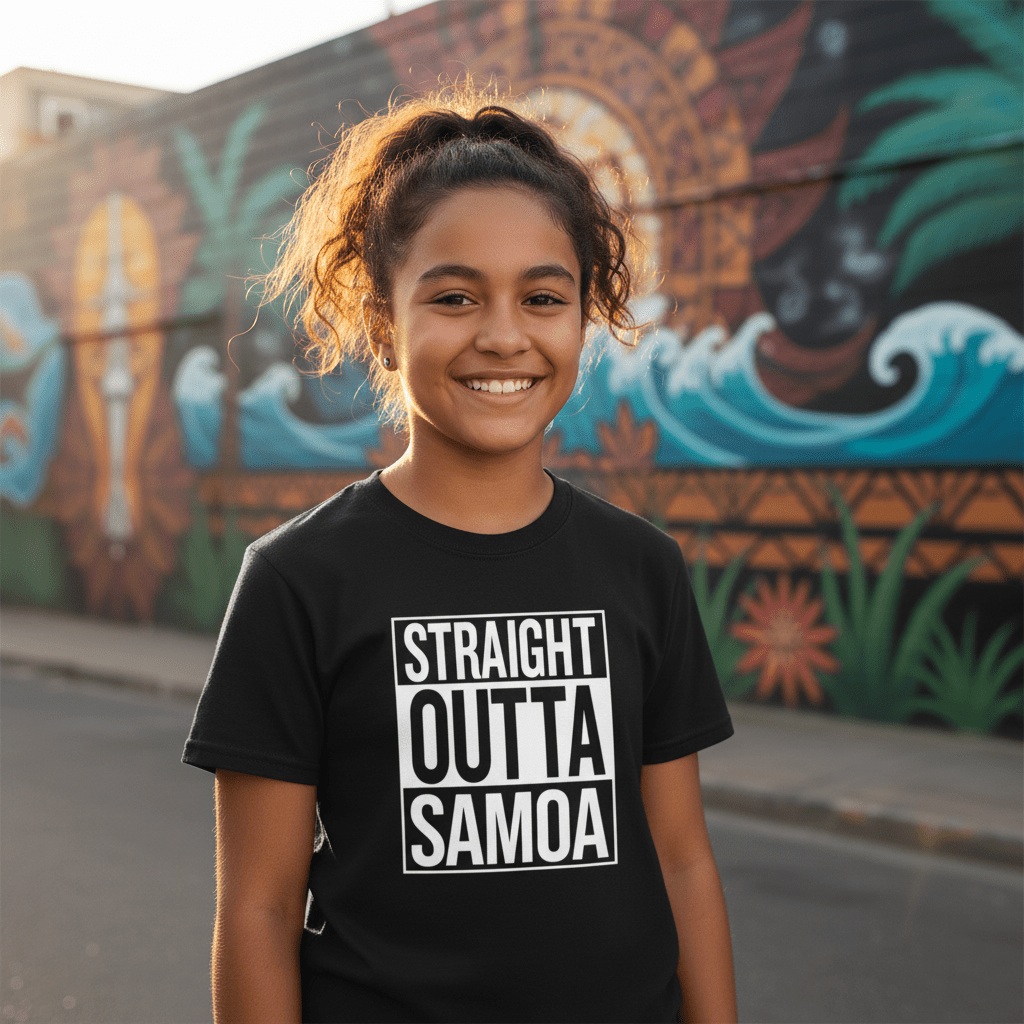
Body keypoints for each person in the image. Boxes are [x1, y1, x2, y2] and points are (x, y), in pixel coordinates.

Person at [182, 81, 737, 1024]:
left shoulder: (642, 567)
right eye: (453, 295)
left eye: (543, 296)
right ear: (383, 319)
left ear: (584, 314)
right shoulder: (297, 580)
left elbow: (680, 856)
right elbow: (260, 908)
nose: (504, 335)